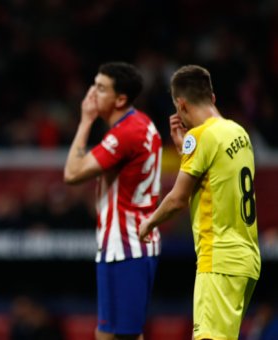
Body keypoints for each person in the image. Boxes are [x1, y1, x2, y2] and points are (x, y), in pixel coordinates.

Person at [139, 65, 261, 340]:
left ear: (180, 104)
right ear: (213, 98)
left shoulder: (200, 136)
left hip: (218, 257)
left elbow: (178, 200)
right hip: (247, 258)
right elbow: (217, 179)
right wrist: (187, 153)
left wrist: (148, 222)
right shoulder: (239, 133)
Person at [64, 62, 162, 340]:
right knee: (110, 333)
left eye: (101, 88)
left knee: (119, 335)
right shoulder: (140, 124)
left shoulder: (126, 133)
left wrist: (85, 121)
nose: (92, 94)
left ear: (120, 99)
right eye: (94, 84)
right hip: (125, 244)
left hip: (127, 245)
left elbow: (72, 173)